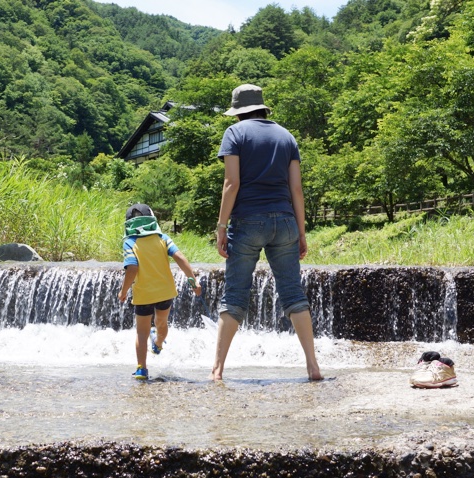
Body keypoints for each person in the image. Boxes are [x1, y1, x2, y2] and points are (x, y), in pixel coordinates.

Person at [211, 83, 323, 382]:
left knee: (235, 294)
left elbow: (231, 184)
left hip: (248, 220)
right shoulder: (286, 136)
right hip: (285, 221)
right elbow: (296, 189)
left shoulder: (235, 134)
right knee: (293, 294)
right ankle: (312, 366)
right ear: (262, 107)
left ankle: (218, 370)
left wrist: (221, 226)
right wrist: (301, 231)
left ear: (238, 112)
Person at [118, 203, 201, 380]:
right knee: (162, 322)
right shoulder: (163, 238)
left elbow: (132, 268)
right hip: (165, 291)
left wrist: (124, 290)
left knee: (142, 332)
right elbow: (180, 257)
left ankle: (141, 369)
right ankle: (158, 343)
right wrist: (192, 280)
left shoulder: (130, 242)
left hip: (143, 294)